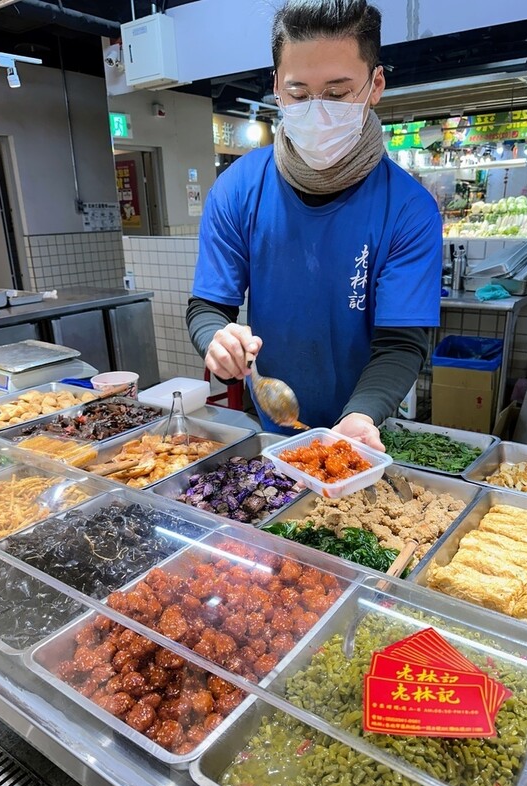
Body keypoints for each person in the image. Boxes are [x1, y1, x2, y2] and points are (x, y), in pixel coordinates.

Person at [186, 0, 442, 451]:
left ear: (375, 84)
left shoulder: (408, 208)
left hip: (365, 428)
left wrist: (361, 417)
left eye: (339, 94)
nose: (318, 111)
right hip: (270, 426)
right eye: (300, 95)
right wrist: (217, 340)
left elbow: (401, 343)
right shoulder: (238, 189)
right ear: (277, 90)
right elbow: (208, 307)